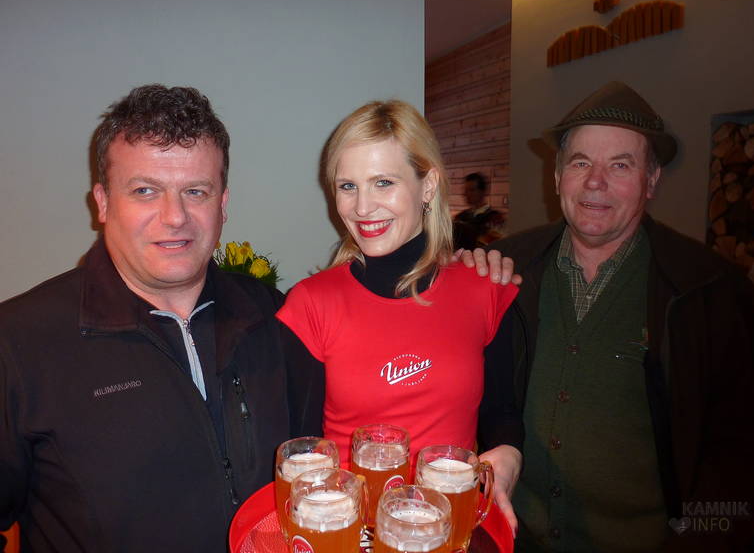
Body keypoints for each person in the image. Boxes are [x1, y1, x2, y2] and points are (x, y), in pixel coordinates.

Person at [0, 85, 323, 552]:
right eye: (145, 191)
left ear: (223, 204)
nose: (174, 217)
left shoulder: (276, 316)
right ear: (103, 202)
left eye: (195, 191)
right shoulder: (19, 341)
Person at [483, 81, 754, 551]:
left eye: (620, 165)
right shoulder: (505, 269)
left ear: (651, 180)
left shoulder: (710, 293)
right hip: (513, 540)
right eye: (580, 163)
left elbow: (744, 454)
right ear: (557, 176)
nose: (595, 181)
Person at [276, 100, 525, 529]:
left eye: (383, 183)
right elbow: (302, 446)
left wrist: (508, 454)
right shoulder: (309, 304)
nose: (362, 208)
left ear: (428, 185)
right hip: (348, 531)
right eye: (348, 186)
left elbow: (503, 412)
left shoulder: (486, 288)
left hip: (449, 528)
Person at [453, 172, 504, 249]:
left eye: (472, 190)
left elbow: (492, 245)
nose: (466, 194)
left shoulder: (494, 218)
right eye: (466, 190)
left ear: (483, 192)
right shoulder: (460, 217)